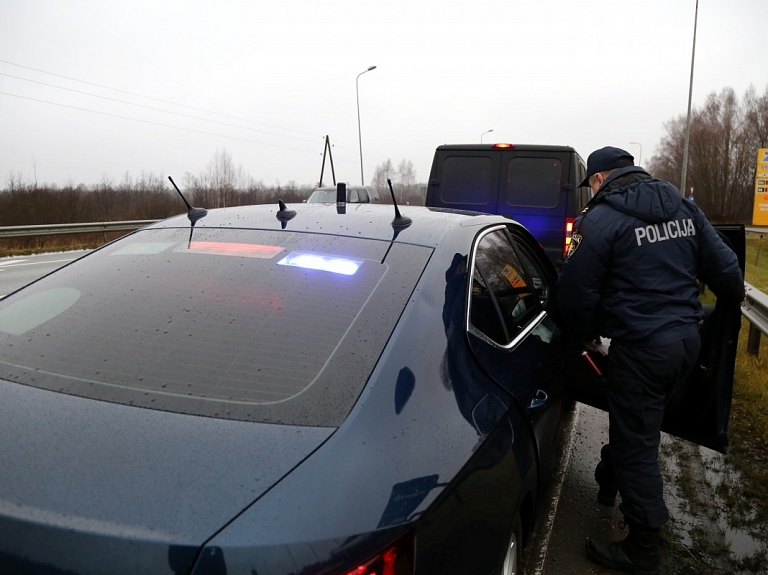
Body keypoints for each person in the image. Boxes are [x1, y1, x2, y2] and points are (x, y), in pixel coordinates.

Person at [556, 146, 744, 574]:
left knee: (639, 442)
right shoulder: (682, 206)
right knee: (638, 423)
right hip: (686, 343)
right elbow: (727, 272)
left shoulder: (598, 221)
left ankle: (642, 549)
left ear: (600, 179)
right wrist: (727, 313)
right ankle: (609, 477)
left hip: (640, 349)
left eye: (592, 184)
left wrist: (585, 337)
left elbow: (574, 294)